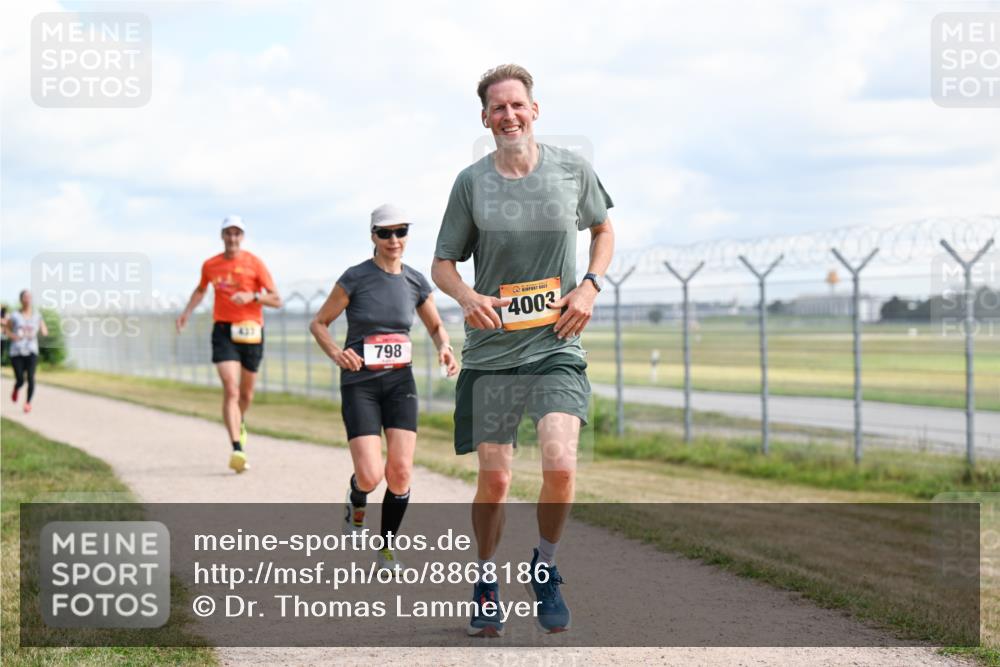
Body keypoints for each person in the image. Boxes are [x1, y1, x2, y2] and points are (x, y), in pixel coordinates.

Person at [432, 64, 615, 636]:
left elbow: (604, 230)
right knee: (497, 479)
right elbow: (442, 263)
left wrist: (589, 285)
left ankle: (545, 566)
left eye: (517, 105)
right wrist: (466, 295)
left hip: (556, 345)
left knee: (560, 464)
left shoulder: (571, 170)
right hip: (491, 354)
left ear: (534, 110)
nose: (508, 115)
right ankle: (486, 581)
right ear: (484, 118)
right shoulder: (471, 183)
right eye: (497, 108)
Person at [310, 204, 458, 572]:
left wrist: (444, 347)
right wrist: (337, 353)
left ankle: (387, 548)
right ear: (373, 236)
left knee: (402, 471)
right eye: (385, 233)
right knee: (371, 476)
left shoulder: (416, 281)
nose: (394, 240)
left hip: (399, 383)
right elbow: (319, 323)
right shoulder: (355, 277)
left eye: (401, 231)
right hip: (360, 383)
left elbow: (436, 326)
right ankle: (356, 498)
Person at [176, 216, 281, 473]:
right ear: (222, 236)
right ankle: (237, 448)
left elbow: (276, 299)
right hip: (223, 330)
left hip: (252, 332)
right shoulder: (210, 265)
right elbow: (201, 290)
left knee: (246, 395)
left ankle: (239, 420)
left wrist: (252, 296)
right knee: (231, 390)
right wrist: (187, 312)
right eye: (228, 233)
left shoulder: (254, 263)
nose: (232, 238)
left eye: (237, 234)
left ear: (242, 237)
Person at [7, 290, 48, 413]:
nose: (28, 299)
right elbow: (7, 330)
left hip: (31, 351)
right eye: (25, 297)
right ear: (21, 300)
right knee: (20, 379)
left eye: (30, 297)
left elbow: (43, 328)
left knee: (31, 377)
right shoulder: (14, 315)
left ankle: (28, 403)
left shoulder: (37, 315)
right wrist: (13, 336)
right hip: (17, 351)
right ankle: (16, 388)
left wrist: (44, 332)